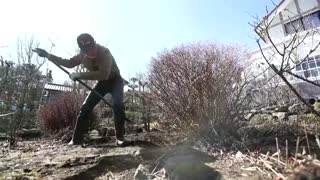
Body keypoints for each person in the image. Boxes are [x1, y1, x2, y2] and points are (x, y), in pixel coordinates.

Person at [33, 33, 127, 146]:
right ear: (82, 50)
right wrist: (48, 55)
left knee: (118, 106)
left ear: (94, 44)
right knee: (85, 107)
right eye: (86, 50)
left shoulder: (105, 52)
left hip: (115, 81)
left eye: (91, 48)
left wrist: (78, 75)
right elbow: (68, 63)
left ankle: (120, 138)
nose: (90, 52)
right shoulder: (82, 55)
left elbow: (104, 74)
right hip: (101, 83)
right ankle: (76, 139)